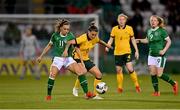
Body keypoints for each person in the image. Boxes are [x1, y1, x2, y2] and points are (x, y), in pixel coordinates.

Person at [36, 19, 94, 100]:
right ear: (60, 28)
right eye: (65, 29)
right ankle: (48, 95)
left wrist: (81, 61)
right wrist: (41, 56)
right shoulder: (55, 35)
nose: (66, 31)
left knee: (80, 72)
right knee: (52, 75)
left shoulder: (71, 36)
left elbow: (77, 48)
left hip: (68, 59)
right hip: (57, 58)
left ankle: (87, 93)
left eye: (68, 29)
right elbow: (49, 45)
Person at [63, 23, 112, 99]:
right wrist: (66, 51)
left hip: (86, 58)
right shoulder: (82, 38)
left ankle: (95, 95)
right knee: (83, 71)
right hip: (77, 57)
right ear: (88, 32)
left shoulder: (94, 38)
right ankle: (76, 88)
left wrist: (107, 45)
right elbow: (70, 42)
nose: (94, 36)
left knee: (99, 74)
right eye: (92, 34)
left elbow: (99, 41)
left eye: (95, 35)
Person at [136, 15, 178, 96]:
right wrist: (139, 40)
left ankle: (174, 83)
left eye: (155, 20)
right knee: (152, 73)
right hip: (151, 55)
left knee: (159, 74)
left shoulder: (162, 31)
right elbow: (147, 40)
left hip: (160, 55)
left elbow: (169, 41)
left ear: (158, 22)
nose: (153, 22)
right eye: (151, 20)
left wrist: (164, 50)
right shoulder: (149, 31)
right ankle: (156, 92)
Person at [105, 13, 141, 93]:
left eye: (123, 19)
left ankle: (137, 86)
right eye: (120, 19)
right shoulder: (114, 29)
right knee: (118, 70)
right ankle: (120, 88)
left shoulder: (129, 28)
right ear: (118, 20)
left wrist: (136, 50)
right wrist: (107, 46)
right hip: (117, 53)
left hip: (127, 52)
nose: (121, 21)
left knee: (130, 69)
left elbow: (132, 40)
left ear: (125, 21)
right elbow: (111, 39)